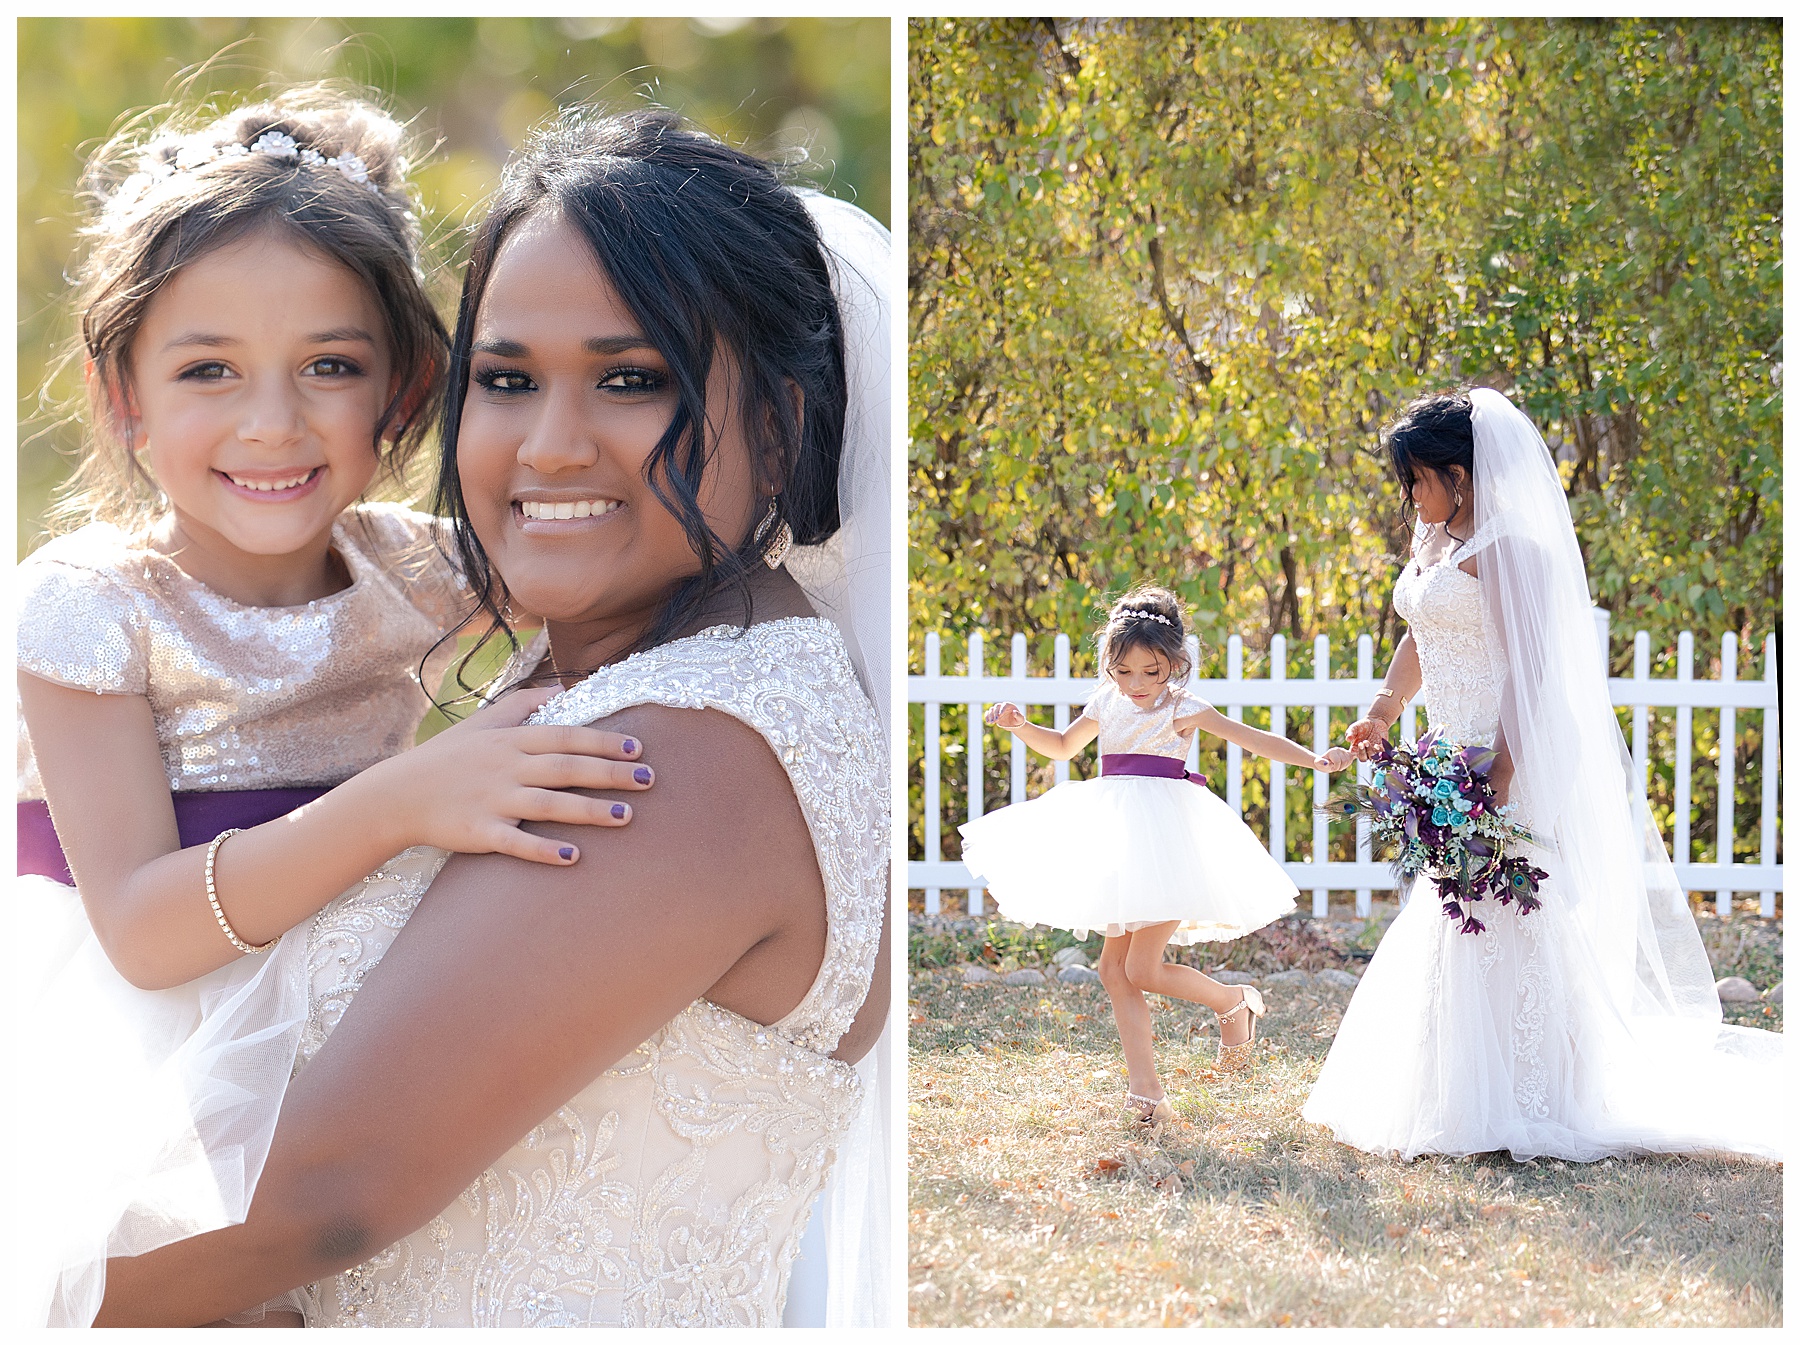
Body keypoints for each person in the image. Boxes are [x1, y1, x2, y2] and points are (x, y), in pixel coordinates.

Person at [89, 106, 894, 1328]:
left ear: (782, 424)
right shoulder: (611, 689)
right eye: (507, 381)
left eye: (633, 381)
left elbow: (323, 1193)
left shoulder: (686, 749)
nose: (551, 446)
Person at [17, 89, 653, 1328]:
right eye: (209, 370)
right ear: (123, 393)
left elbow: (615, 595)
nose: (273, 421)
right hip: (128, 1053)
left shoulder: (423, 573)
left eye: (330, 367)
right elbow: (144, 929)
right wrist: (407, 797)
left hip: (347, 1029)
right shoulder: (87, 605)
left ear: (405, 388)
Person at [1303, 387, 1783, 1162]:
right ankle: (1447, 1086)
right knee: (1453, 912)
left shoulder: (1511, 549)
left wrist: (1497, 772)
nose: (1410, 497)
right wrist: (1386, 711)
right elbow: (1422, 636)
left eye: (1419, 479)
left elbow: (1530, 673)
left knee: (1509, 913)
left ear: (1459, 474)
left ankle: (1533, 1092)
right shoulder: (1432, 545)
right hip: (1443, 751)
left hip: (1500, 757)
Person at [959, 586, 1353, 1120]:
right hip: (1118, 838)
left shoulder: (1185, 708)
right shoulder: (1105, 702)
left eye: (1151, 671)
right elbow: (1061, 747)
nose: (1137, 684)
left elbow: (1254, 739)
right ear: (1110, 665)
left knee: (1141, 968)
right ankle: (1147, 1095)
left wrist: (1315, 761)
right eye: (1124, 671)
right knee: (1113, 971)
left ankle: (1233, 1002)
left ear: (1175, 662)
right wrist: (1021, 725)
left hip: (1168, 841)